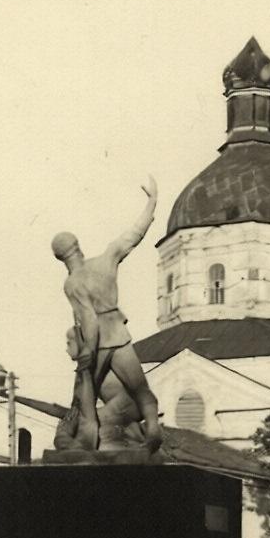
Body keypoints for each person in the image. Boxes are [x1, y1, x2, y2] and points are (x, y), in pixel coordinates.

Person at [51, 177, 162, 452]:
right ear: (78, 246)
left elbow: (88, 317)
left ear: (60, 258)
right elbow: (132, 235)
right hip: (120, 336)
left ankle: (86, 437)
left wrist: (88, 348)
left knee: (84, 394)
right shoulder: (106, 260)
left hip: (99, 341)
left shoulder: (73, 283)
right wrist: (152, 201)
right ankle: (153, 428)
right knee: (140, 388)